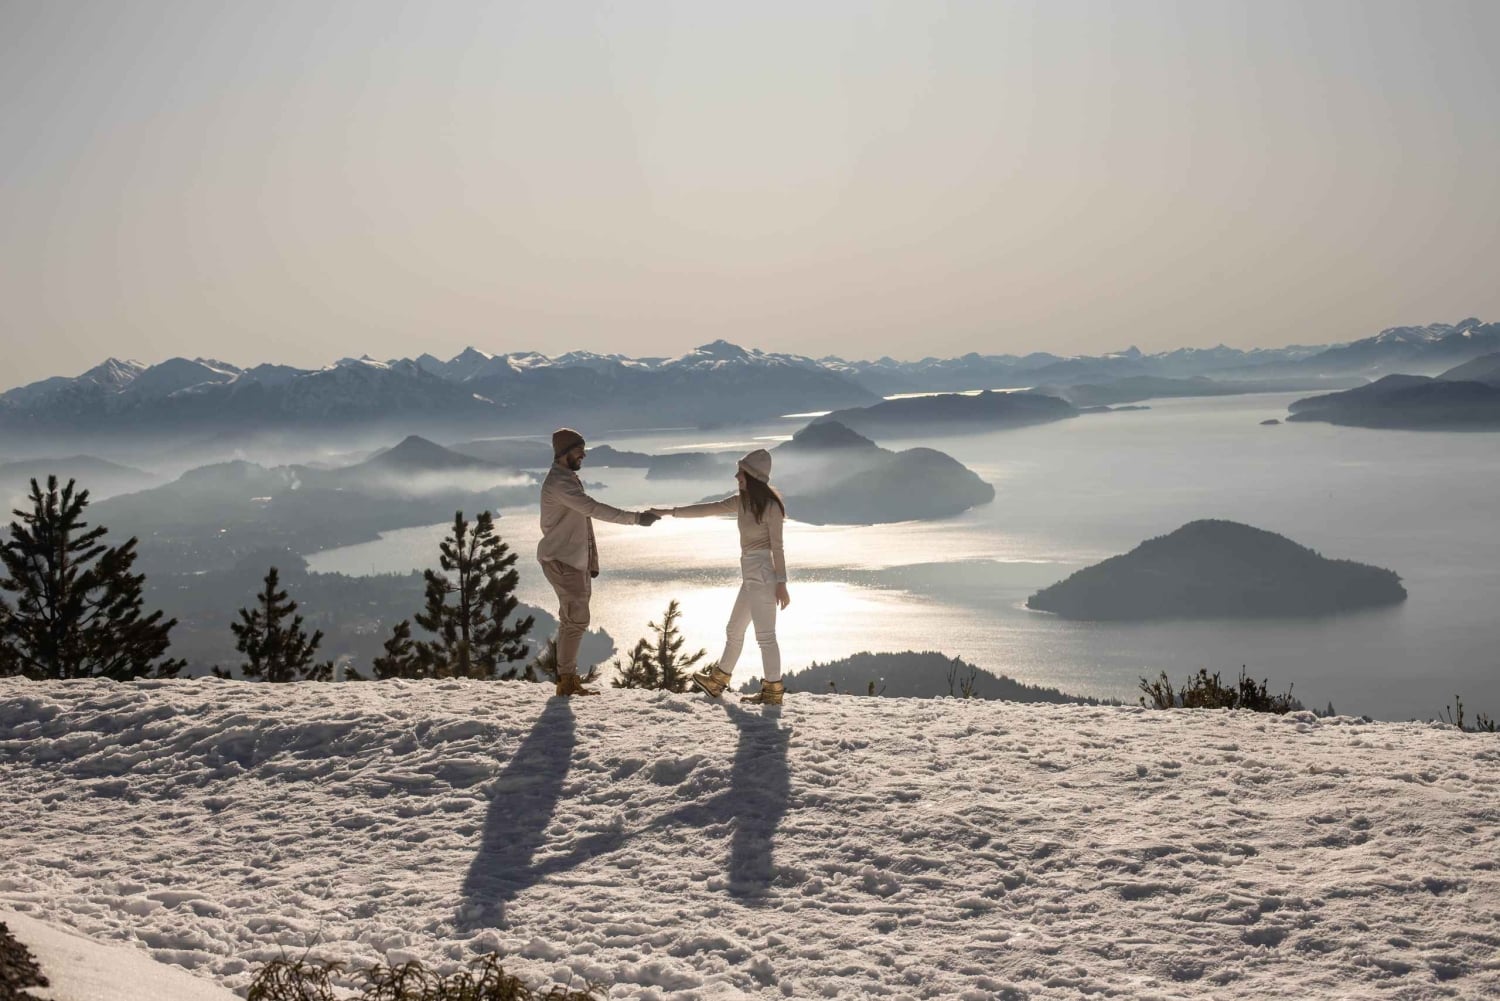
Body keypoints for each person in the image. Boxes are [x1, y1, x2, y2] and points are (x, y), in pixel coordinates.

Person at [652, 448, 790, 705]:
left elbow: (778, 547)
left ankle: (772, 692)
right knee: (734, 628)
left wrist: (781, 584)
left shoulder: (770, 507)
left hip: (761, 575)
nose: (736, 475)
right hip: (751, 575)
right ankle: (717, 681)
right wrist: (669, 512)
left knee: (765, 636)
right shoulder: (742, 501)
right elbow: (708, 509)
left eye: (741, 472)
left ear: (753, 476)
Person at [539, 428, 659, 696]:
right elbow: (592, 509)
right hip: (563, 561)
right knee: (576, 619)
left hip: (572, 561)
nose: (584, 454)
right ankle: (567, 682)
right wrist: (636, 519)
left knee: (572, 619)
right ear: (563, 453)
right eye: (579, 450)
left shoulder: (566, 478)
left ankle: (567, 678)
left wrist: (591, 562)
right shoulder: (561, 483)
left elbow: (582, 523)